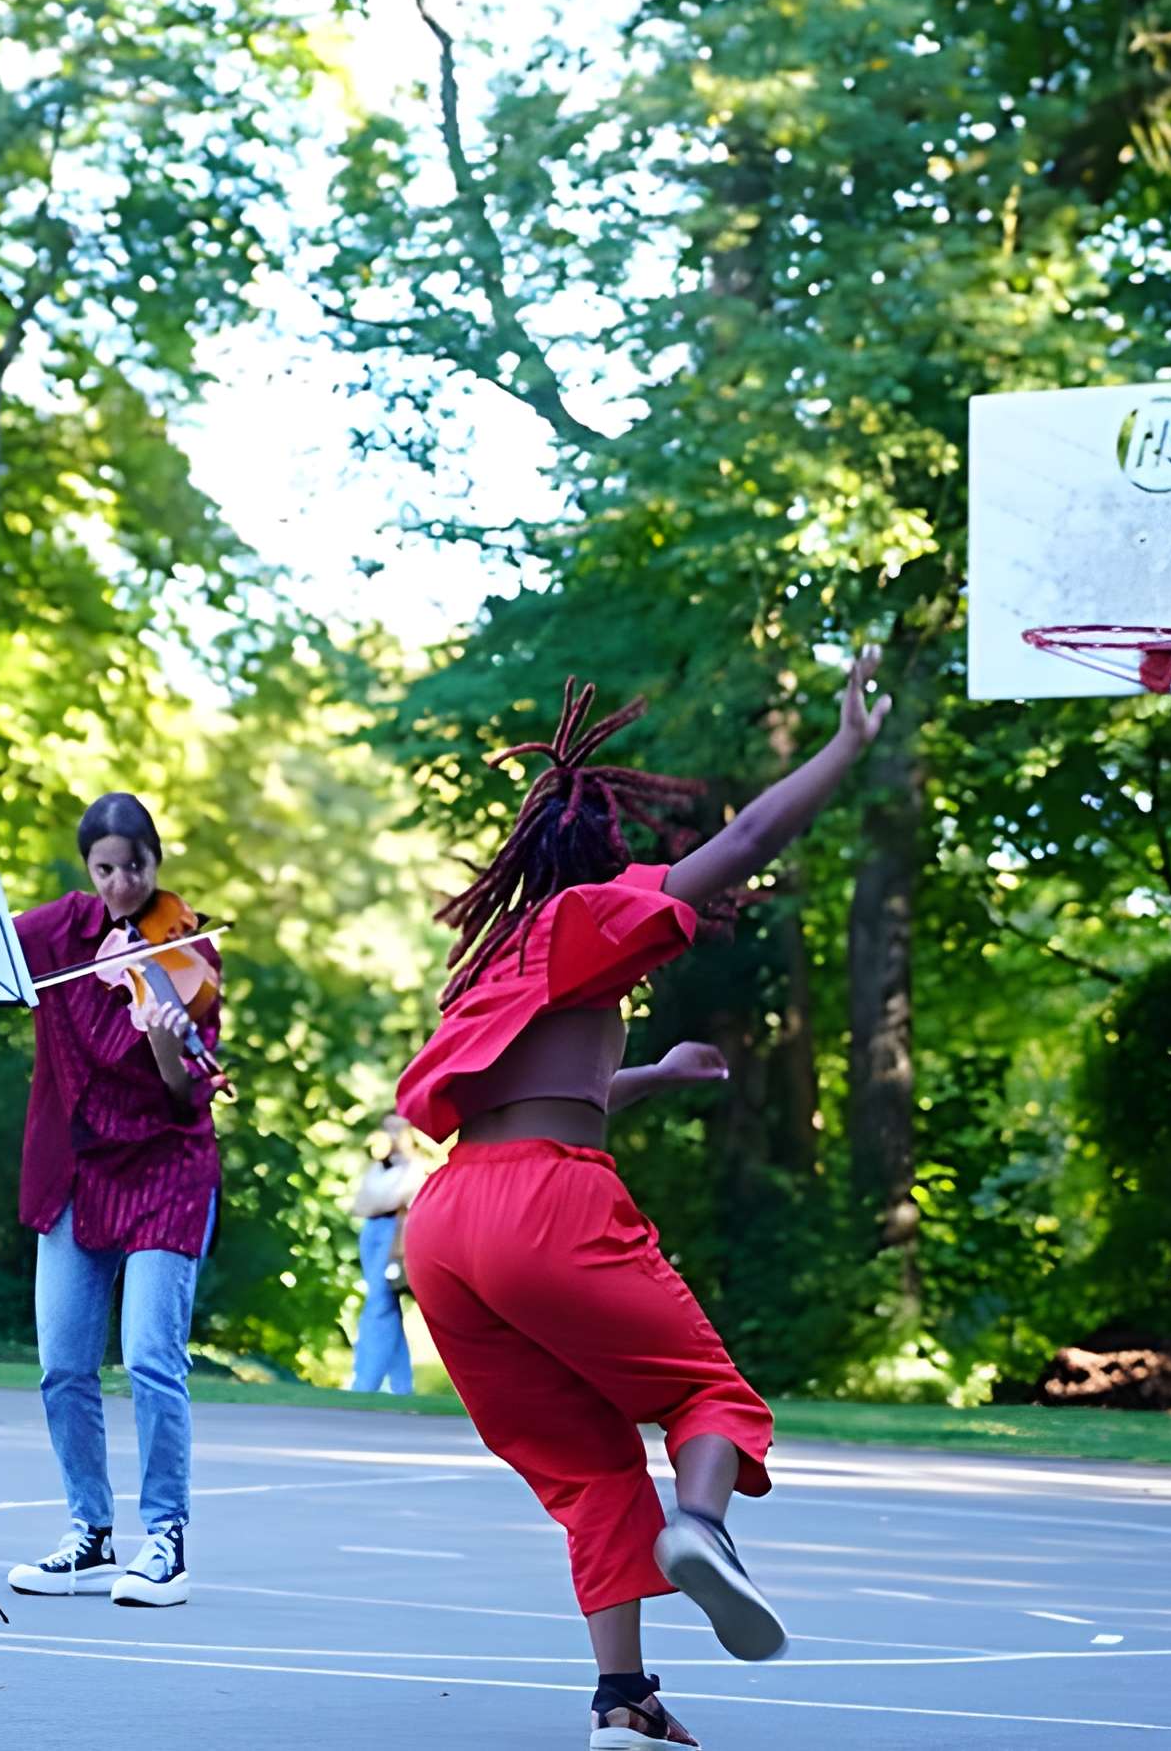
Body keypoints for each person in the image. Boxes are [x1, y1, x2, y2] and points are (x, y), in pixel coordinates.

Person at [397, 655, 890, 1749]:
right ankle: (702, 1529)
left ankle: (621, 1702)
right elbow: (747, 841)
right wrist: (843, 747)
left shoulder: (495, 955)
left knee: (587, 1468)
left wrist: (651, 1075)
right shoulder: (594, 909)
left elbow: (526, 1095)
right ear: (603, 848)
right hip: (543, 1208)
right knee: (706, 1394)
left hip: (445, 1227)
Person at [5, 791, 224, 1610]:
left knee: (150, 1361)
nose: (123, 886)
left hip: (165, 1167)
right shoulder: (60, 930)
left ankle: (164, 1538)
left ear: (155, 862)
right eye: (106, 869)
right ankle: (89, 1534)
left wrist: (165, 1040)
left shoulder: (186, 950)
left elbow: (185, 1095)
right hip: (74, 1168)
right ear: (87, 869)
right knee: (63, 1364)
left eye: (136, 867)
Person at [348, 1111, 424, 1394]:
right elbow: (363, 1204)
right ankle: (402, 1387)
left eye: (397, 1129)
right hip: (373, 1231)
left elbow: (395, 1199)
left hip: (395, 1235)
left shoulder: (415, 1167)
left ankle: (365, 1383)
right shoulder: (379, 1167)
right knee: (386, 1308)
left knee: (378, 1307)